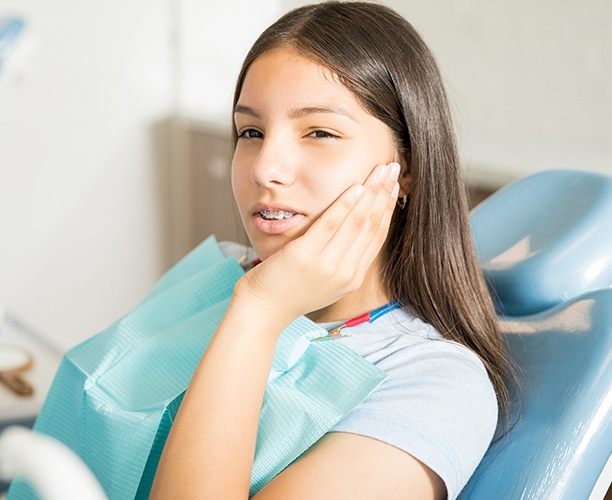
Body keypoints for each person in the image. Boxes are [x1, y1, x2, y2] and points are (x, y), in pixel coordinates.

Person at [151, 2, 512, 498]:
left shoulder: (436, 384)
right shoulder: (217, 276)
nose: (264, 169)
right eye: (251, 132)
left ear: (404, 168)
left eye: (319, 132)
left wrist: (259, 312)